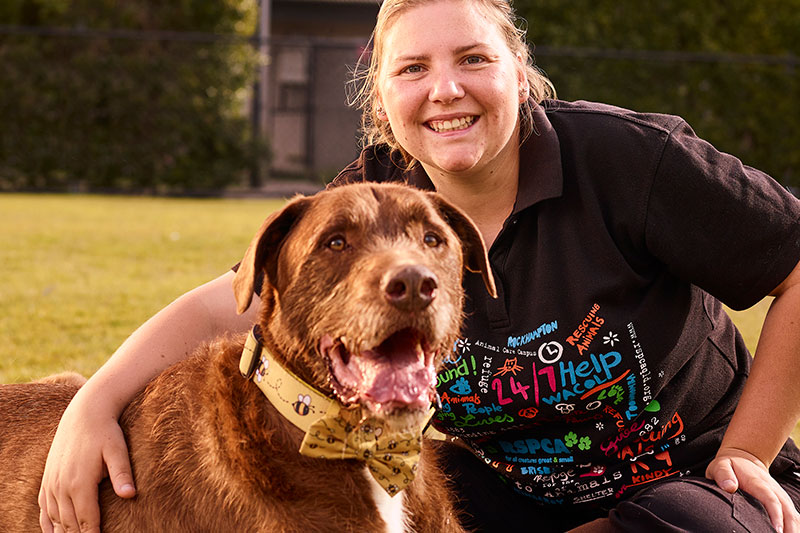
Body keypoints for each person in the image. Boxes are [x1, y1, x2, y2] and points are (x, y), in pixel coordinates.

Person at [39, 0, 800, 531]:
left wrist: (745, 450)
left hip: (692, 482)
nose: (446, 88)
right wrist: (91, 403)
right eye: (413, 69)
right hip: (518, 495)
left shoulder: (631, 162)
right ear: (383, 93)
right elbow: (231, 301)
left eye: (473, 58)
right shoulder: (372, 200)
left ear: (517, 70)